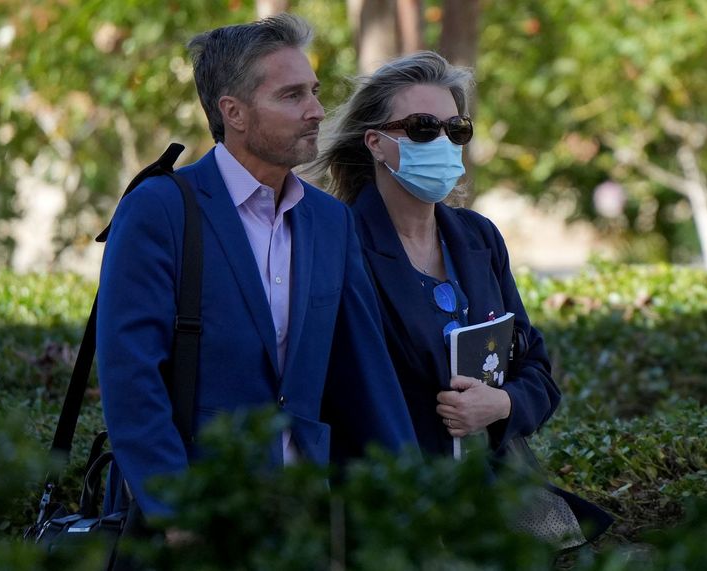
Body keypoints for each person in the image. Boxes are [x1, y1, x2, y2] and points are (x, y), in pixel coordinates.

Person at [96, 14, 417, 520]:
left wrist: (416, 502)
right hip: (199, 516)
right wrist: (176, 512)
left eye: (313, 91)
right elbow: (131, 378)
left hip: (302, 518)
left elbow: (364, 374)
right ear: (234, 113)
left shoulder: (331, 220)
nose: (316, 110)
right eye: (292, 96)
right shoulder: (159, 209)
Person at [310, 50, 612, 547]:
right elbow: (333, 390)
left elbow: (535, 366)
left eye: (457, 129)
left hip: (498, 500)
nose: (445, 141)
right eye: (424, 127)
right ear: (376, 143)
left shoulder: (479, 237)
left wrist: (502, 404)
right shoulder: (338, 243)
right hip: (393, 510)